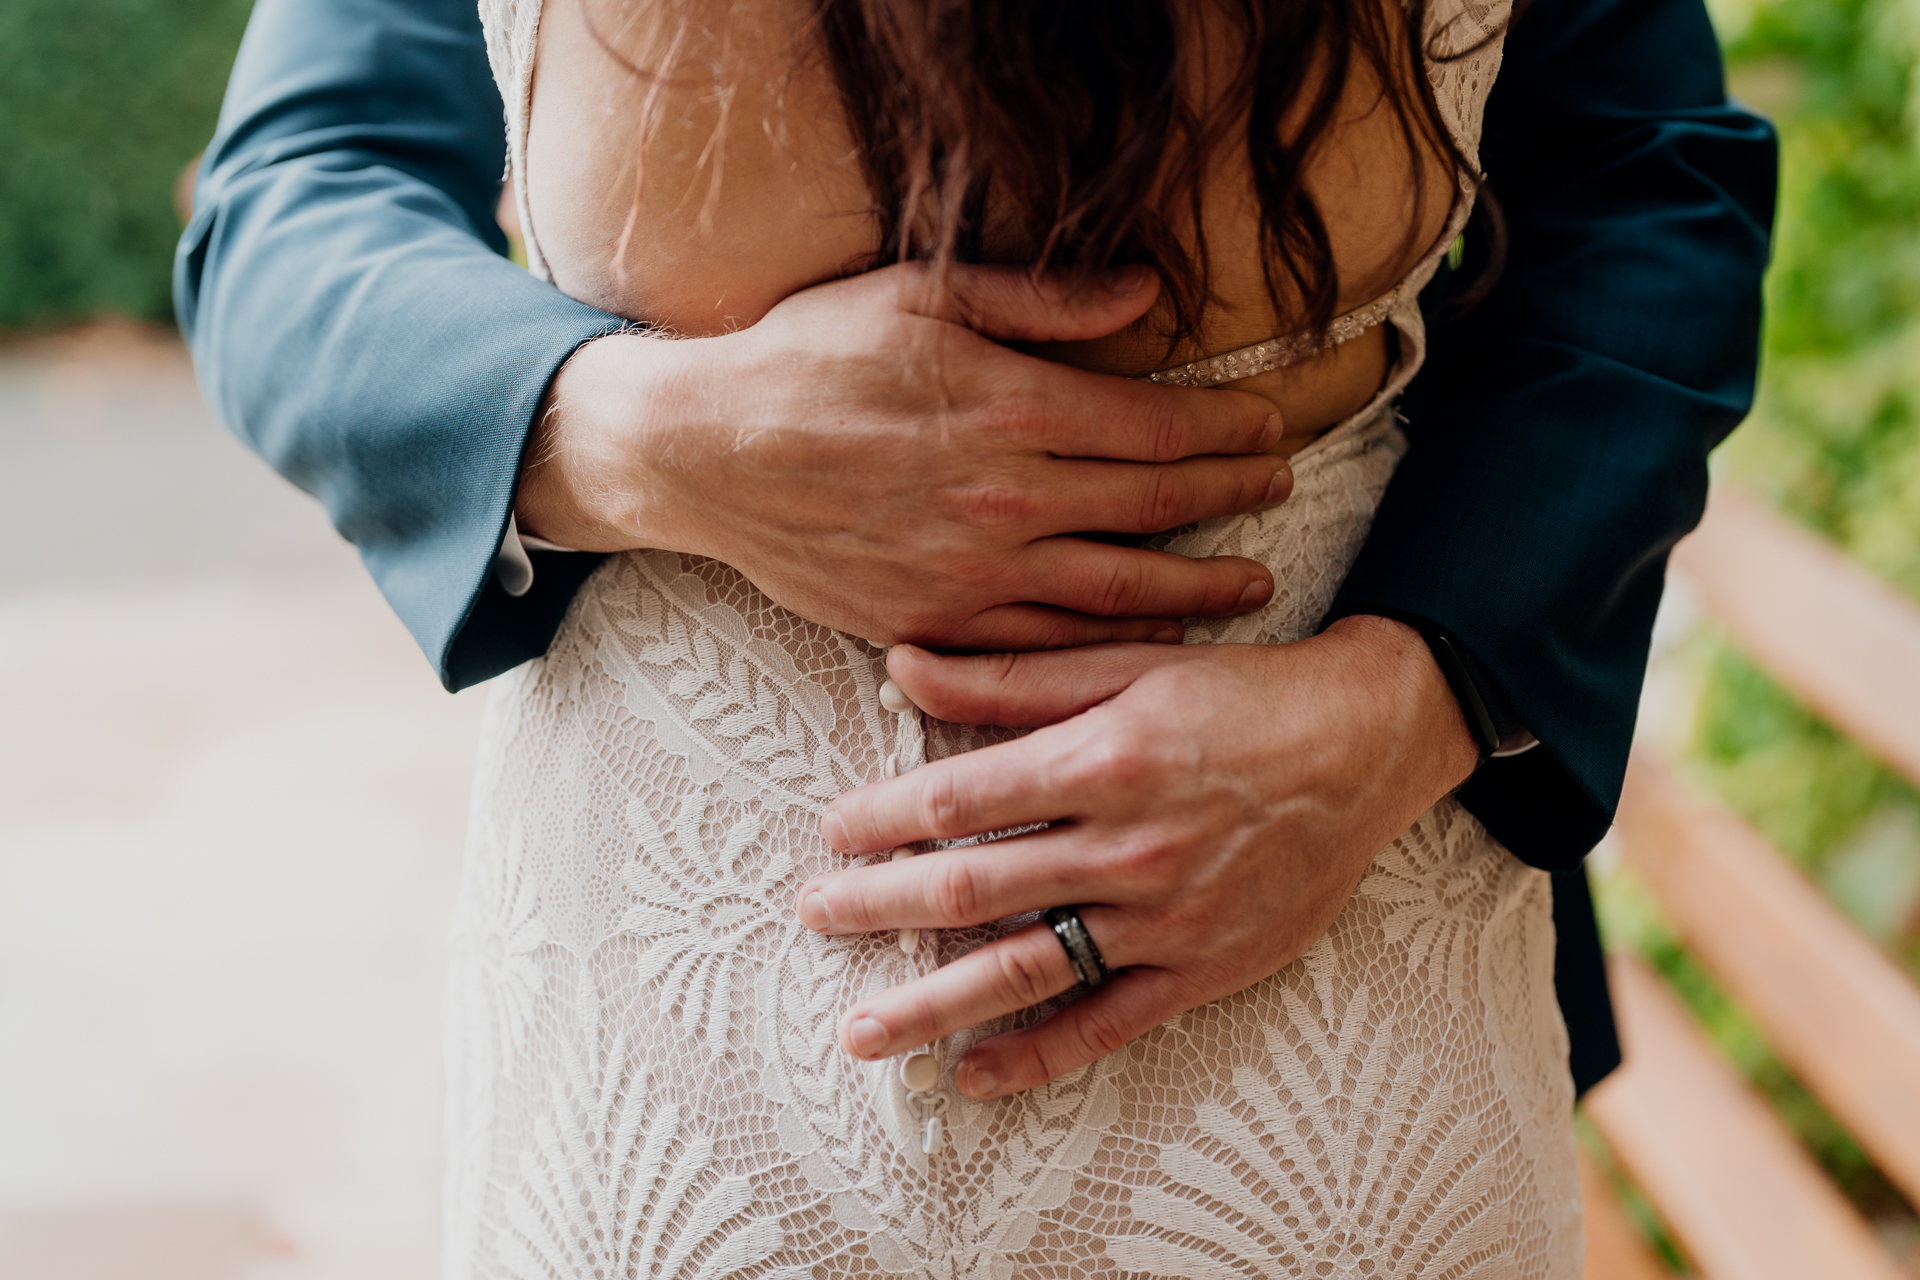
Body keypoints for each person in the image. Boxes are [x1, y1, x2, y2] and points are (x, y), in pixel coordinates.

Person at [177, 0, 1776, 1273]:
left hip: (1342, 1024)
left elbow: (1647, 180)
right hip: (654, 1095)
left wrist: (1415, 695)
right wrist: (632, 431)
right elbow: (294, 200)